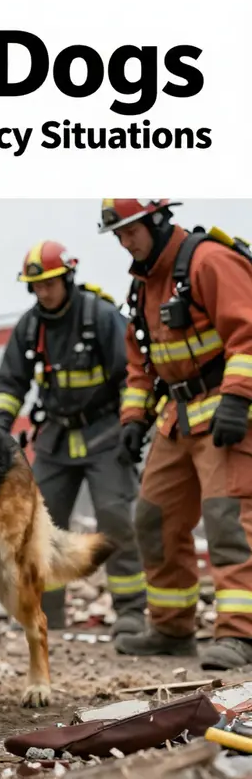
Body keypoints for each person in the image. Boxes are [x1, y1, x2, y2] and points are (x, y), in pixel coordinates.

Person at [99, 198, 252, 670]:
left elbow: (248, 333)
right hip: (177, 416)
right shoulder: (143, 285)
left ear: (156, 220)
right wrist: (132, 419)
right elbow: (141, 362)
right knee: (153, 517)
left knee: (228, 522)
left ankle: (241, 636)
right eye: (119, 235)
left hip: (225, 411)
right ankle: (170, 628)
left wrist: (238, 397)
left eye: (130, 231)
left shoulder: (209, 261)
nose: (125, 243)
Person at [0, 240, 147, 636]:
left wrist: (133, 422)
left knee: (117, 518)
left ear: (68, 278)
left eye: (51, 284)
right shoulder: (30, 326)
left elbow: (133, 372)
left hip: (106, 433)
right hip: (56, 439)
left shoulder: (101, 316)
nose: (44, 292)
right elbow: (11, 382)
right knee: (42, 526)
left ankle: (130, 612)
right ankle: (45, 616)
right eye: (36, 285)